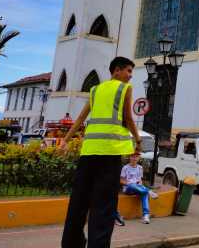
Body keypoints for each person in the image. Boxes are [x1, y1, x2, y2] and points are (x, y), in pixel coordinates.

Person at [61, 57, 141, 248]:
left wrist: (65, 140)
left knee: (78, 203)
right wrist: (137, 140)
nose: (130, 76)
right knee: (103, 207)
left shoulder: (95, 90)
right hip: (109, 155)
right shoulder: (124, 89)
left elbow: (81, 117)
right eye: (128, 71)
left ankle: (72, 244)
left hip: (88, 154)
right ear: (117, 71)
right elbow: (129, 118)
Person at [120, 153, 159, 224]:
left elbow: (140, 180)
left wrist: (139, 183)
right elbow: (121, 180)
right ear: (130, 158)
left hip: (138, 188)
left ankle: (146, 215)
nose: (134, 159)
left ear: (138, 158)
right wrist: (129, 183)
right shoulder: (125, 168)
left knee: (144, 193)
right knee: (132, 185)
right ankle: (149, 191)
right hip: (128, 189)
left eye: (136, 157)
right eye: (132, 157)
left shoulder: (140, 168)